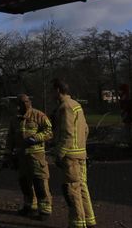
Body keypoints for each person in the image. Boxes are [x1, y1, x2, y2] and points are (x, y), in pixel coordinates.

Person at [52, 78, 96, 228]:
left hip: (70, 157)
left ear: (58, 90)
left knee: (72, 190)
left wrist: (59, 153)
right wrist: (81, 147)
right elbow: (85, 130)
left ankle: (77, 223)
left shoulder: (65, 107)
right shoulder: (77, 105)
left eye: (53, 90)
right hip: (81, 153)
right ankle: (89, 220)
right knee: (82, 187)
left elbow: (67, 133)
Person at [5, 94, 53, 220]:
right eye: (19, 104)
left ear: (29, 102)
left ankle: (45, 210)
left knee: (40, 183)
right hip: (21, 157)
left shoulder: (39, 116)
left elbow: (49, 132)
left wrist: (36, 138)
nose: (21, 106)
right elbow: (10, 138)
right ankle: (30, 206)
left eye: (24, 103)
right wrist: (8, 155)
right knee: (24, 183)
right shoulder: (14, 120)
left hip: (36, 156)